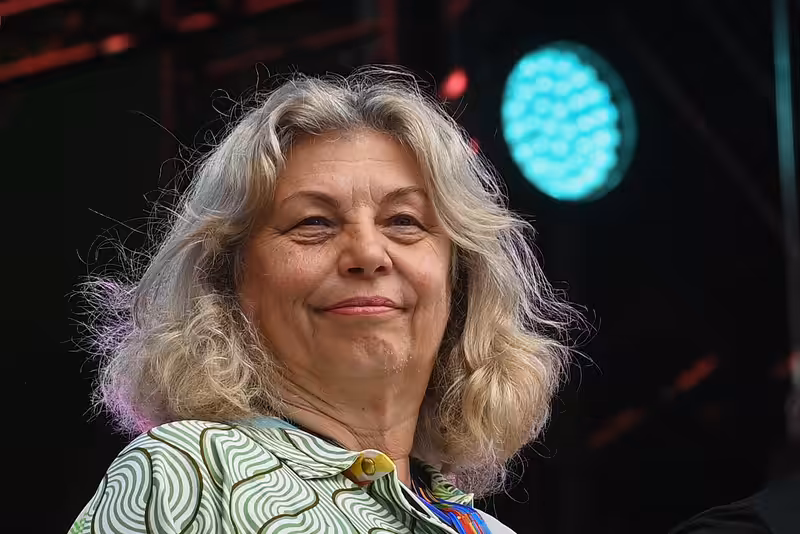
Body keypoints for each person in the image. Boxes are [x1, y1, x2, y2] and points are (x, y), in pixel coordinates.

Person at [70, 67, 577, 534]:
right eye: (314, 222)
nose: (367, 254)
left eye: (404, 221)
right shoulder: (190, 473)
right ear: (230, 282)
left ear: (457, 280)